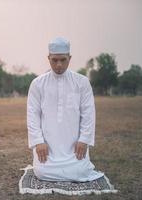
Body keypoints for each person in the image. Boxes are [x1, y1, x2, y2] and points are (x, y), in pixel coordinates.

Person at [26, 37, 104, 182]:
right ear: (48, 58)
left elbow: (88, 113)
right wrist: (38, 141)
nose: (59, 65)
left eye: (63, 60)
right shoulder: (38, 84)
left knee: (80, 170)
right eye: (54, 60)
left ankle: (75, 167)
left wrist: (84, 139)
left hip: (73, 148)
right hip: (48, 147)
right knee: (42, 172)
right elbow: (32, 115)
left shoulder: (82, 82)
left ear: (70, 58)